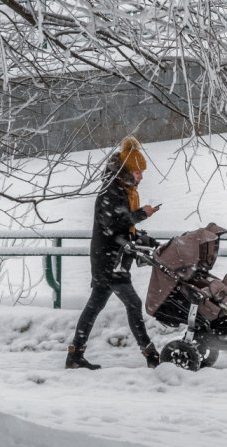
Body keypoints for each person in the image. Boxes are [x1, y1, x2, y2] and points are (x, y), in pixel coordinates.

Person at [66, 136, 162, 370]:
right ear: (127, 171)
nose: (141, 176)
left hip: (113, 259)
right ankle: (150, 354)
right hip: (108, 260)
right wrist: (142, 214)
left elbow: (123, 226)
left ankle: (75, 354)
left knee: (95, 305)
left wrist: (141, 238)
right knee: (133, 303)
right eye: (138, 171)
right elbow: (111, 226)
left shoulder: (123, 191)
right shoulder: (110, 192)